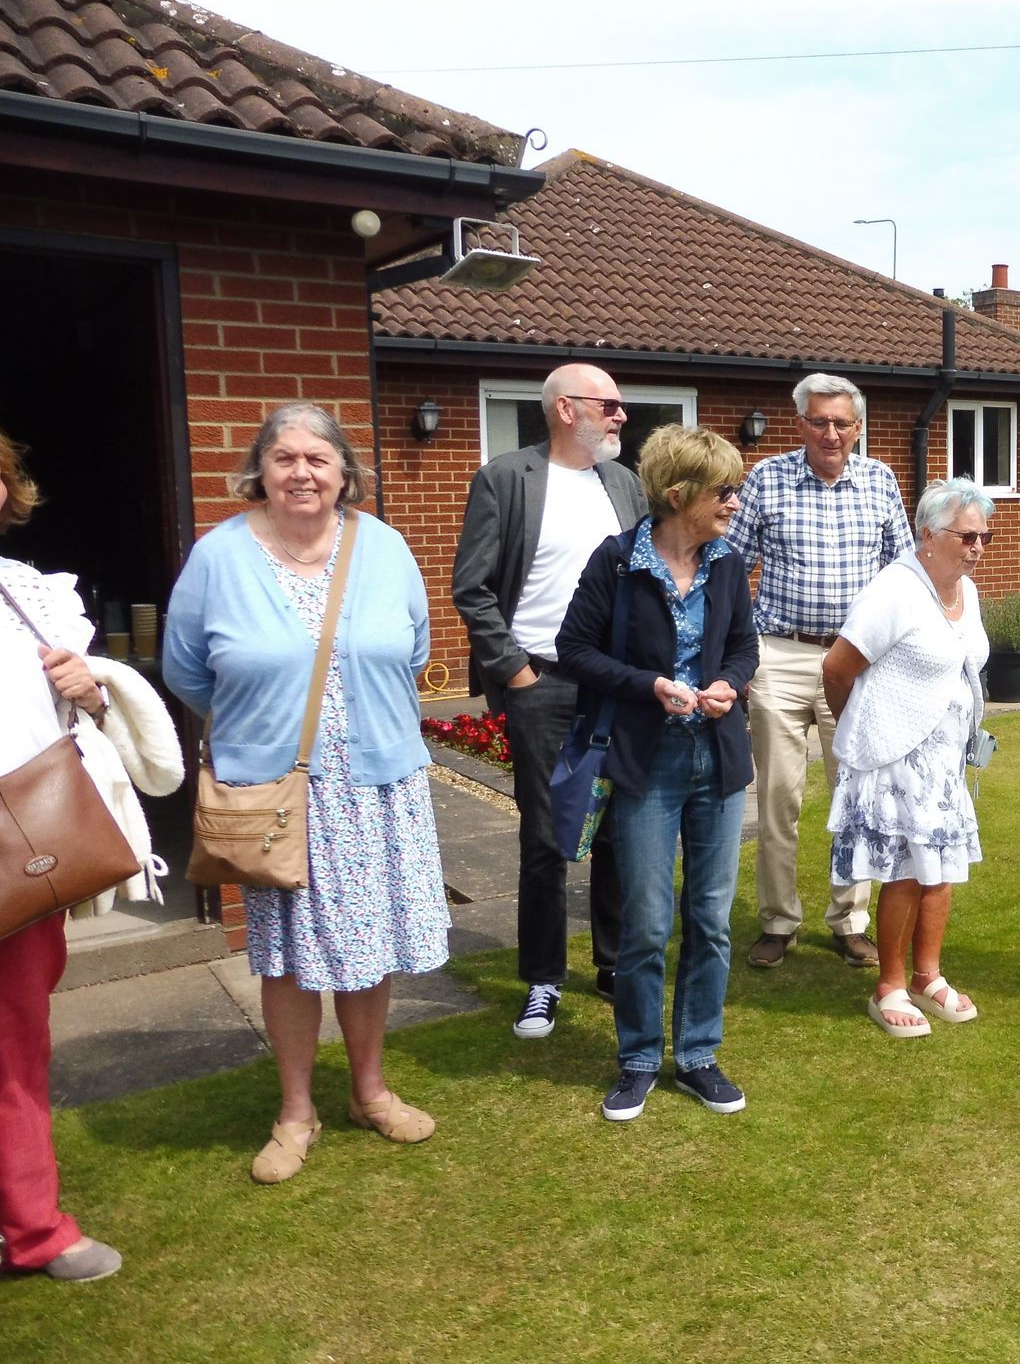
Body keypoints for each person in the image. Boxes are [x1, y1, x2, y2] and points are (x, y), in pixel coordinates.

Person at [164, 404, 449, 1183]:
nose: (301, 473)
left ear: (344, 473)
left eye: (318, 459)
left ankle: (369, 1091)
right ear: (259, 470)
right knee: (286, 956)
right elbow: (186, 667)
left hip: (376, 784)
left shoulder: (384, 547)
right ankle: (296, 1111)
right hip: (278, 794)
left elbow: (413, 648)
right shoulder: (218, 557)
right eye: (284, 458)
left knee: (371, 943)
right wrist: (262, 726)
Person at [0, 428, 175, 1282]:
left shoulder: (28, 596)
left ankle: (32, 1228)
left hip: (19, 854)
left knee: (15, 1045)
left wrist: (90, 689)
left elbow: (77, 723)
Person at [556, 427, 758, 1119]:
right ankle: (639, 1058)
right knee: (645, 923)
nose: (734, 502)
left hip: (717, 759)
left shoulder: (727, 562)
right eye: (723, 490)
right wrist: (649, 685)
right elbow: (573, 649)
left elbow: (744, 646)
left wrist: (730, 682)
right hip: (646, 764)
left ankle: (698, 1056)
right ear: (678, 495)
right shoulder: (616, 562)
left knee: (711, 918)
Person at [452, 363, 645, 1040]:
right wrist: (516, 672)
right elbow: (472, 586)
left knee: (619, 830)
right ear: (567, 409)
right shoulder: (507, 478)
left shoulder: (624, 483)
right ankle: (542, 979)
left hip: (614, 682)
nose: (622, 416)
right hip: (542, 682)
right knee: (545, 837)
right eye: (610, 405)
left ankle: (614, 964)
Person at [725, 373, 914, 971]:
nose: (831, 433)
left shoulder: (880, 480)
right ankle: (777, 921)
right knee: (777, 797)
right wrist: (738, 654)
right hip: (780, 654)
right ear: (799, 423)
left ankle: (849, 921)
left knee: (854, 796)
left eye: (842, 423)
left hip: (855, 661)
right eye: (820, 421)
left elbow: (904, 574)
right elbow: (729, 567)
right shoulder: (766, 478)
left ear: (857, 427)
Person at [822, 479, 993, 1038]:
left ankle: (927, 976)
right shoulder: (893, 590)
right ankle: (890, 986)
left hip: (945, 761)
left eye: (984, 537)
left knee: (942, 870)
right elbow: (837, 668)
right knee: (905, 871)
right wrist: (863, 731)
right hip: (896, 757)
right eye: (966, 536)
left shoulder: (965, 592)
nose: (977, 547)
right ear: (928, 535)